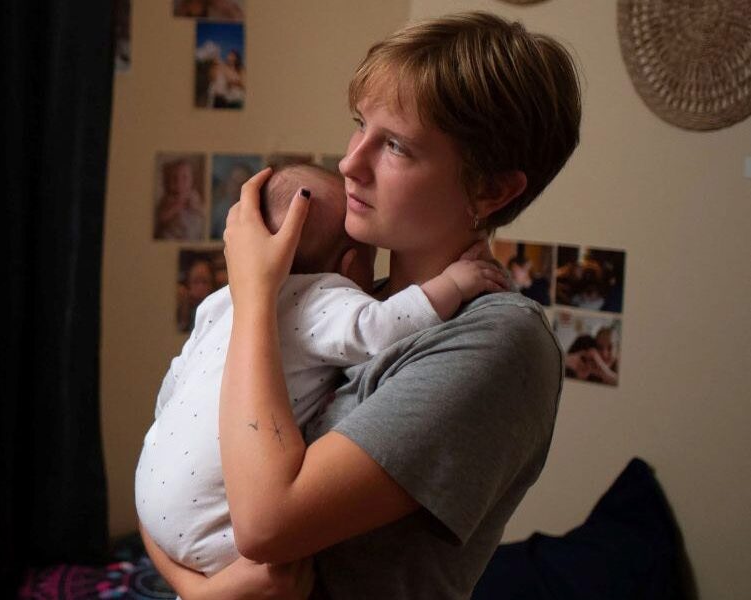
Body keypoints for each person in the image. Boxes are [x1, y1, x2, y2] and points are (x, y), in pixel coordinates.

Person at [142, 12, 580, 598]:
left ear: (491, 189)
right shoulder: (344, 303)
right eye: (360, 126)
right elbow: (166, 476)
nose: (349, 163)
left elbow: (267, 524)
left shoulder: (499, 340)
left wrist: (255, 295)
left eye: (395, 145)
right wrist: (198, 592)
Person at [137, 165, 507, 577]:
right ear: (350, 265)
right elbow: (381, 328)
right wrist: (454, 283)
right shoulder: (323, 297)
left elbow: (173, 384)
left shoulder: (220, 301)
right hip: (213, 526)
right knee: (284, 576)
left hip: (153, 490)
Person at [155, 159, 205, 240]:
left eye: (184, 178)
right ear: (168, 182)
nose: (179, 182)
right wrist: (176, 207)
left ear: (192, 181)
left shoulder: (193, 195)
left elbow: (203, 212)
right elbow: (161, 218)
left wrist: (195, 207)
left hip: (190, 231)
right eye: (174, 178)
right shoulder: (168, 197)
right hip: (173, 233)